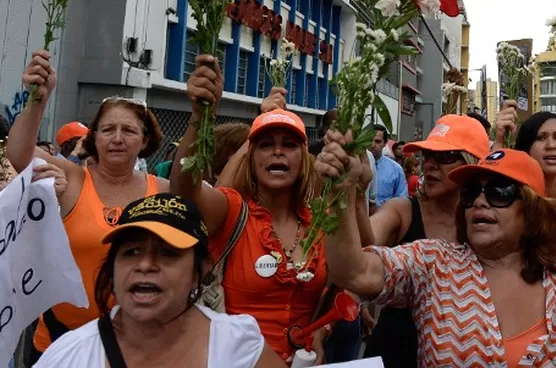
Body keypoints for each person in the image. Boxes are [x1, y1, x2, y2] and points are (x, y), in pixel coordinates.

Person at [319, 140, 556, 367]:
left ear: (532, 210)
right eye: (472, 192)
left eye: (500, 192)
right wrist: (340, 194)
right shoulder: (433, 263)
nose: (481, 201)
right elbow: (354, 272)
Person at [7, 50, 168, 360]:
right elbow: (17, 156)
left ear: (145, 140)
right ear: (94, 138)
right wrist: (39, 99)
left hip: (134, 346)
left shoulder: (162, 191)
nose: (117, 138)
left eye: (129, 130)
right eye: (107, 130)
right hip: (58, 341)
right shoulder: (74, 178)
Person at [173, 56, 329, 364]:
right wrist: (201, 115)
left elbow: (342, 286)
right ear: (251, 157)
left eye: (289, 144)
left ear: (303, 158)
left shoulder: (320, 223)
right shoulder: (232, 210)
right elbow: (184, 194)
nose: (278, 152)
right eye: (266, 144)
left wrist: (320, 334)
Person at [35, 194, 283, 367]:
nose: (145, 265)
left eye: (168, 253)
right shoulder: (70, 356)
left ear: (200, 270)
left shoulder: (237, 345)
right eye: (131, 251)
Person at [362, 114, 490, 367]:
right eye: (427, 155)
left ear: (472, 166)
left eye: (444, 157)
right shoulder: (402, 211)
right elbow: (362, 252)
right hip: (394, 352)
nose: (429, 164)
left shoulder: (490, 222)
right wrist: (354, 192)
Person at [372, 125, 408, 208]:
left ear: (385, 143)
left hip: (385, 219)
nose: (372, 144)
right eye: (369, 140)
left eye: (378, 141)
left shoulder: (396, 169)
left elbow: (402, 202)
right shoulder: (355, 165)